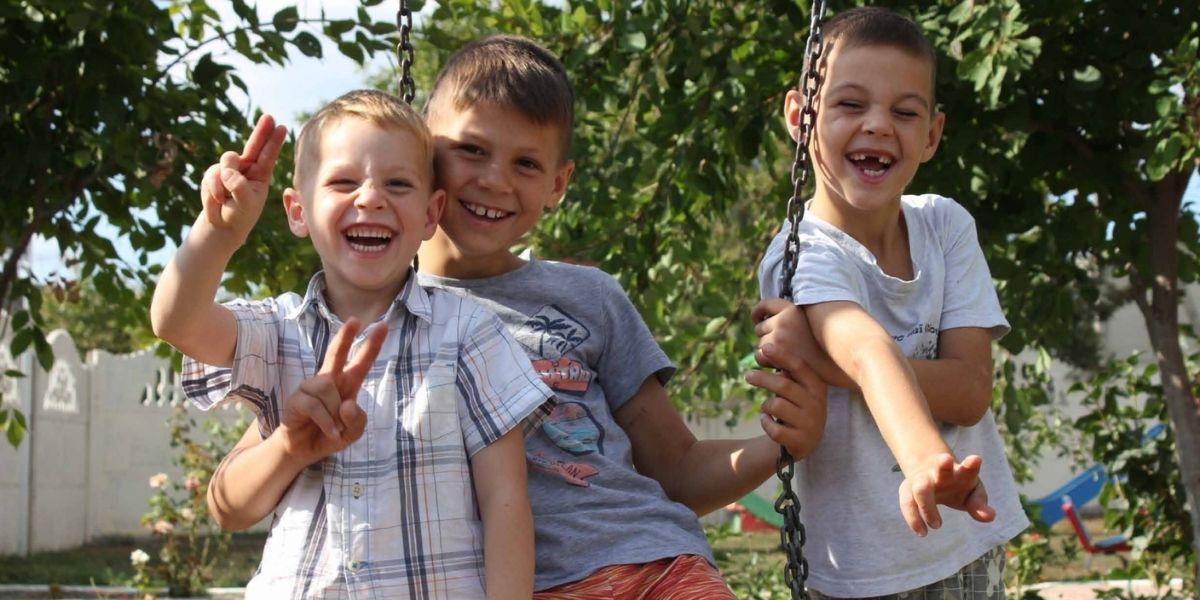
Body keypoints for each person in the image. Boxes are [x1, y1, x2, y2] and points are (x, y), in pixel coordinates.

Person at [410, 34, 830, 598]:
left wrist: (780, 445)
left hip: (657, 560)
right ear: (423, 150)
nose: (494, 180)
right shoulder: (382, 311)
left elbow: (676, 470)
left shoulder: (590, 297)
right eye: (470, 149)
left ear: (558, 184)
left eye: (527, 163)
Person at [150, 90, 554, 599]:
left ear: (432, 215)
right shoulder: (278, 330)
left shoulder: (468, 332)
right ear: (298, 211)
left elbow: (506, 503)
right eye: (343, 181)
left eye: (398, 183)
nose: (370, 198)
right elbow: (175, 322)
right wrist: (218, 233)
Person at [755, 7, 1030, 599]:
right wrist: (926, 457)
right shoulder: (801, 256)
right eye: (851, 105)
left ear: (931, 135)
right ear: (801, 117)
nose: (878, 126)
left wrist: (822, 363)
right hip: (860, 570)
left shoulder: (945, 227)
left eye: (904, 113)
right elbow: (866, 347)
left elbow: (970, 389)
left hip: (965, 542)